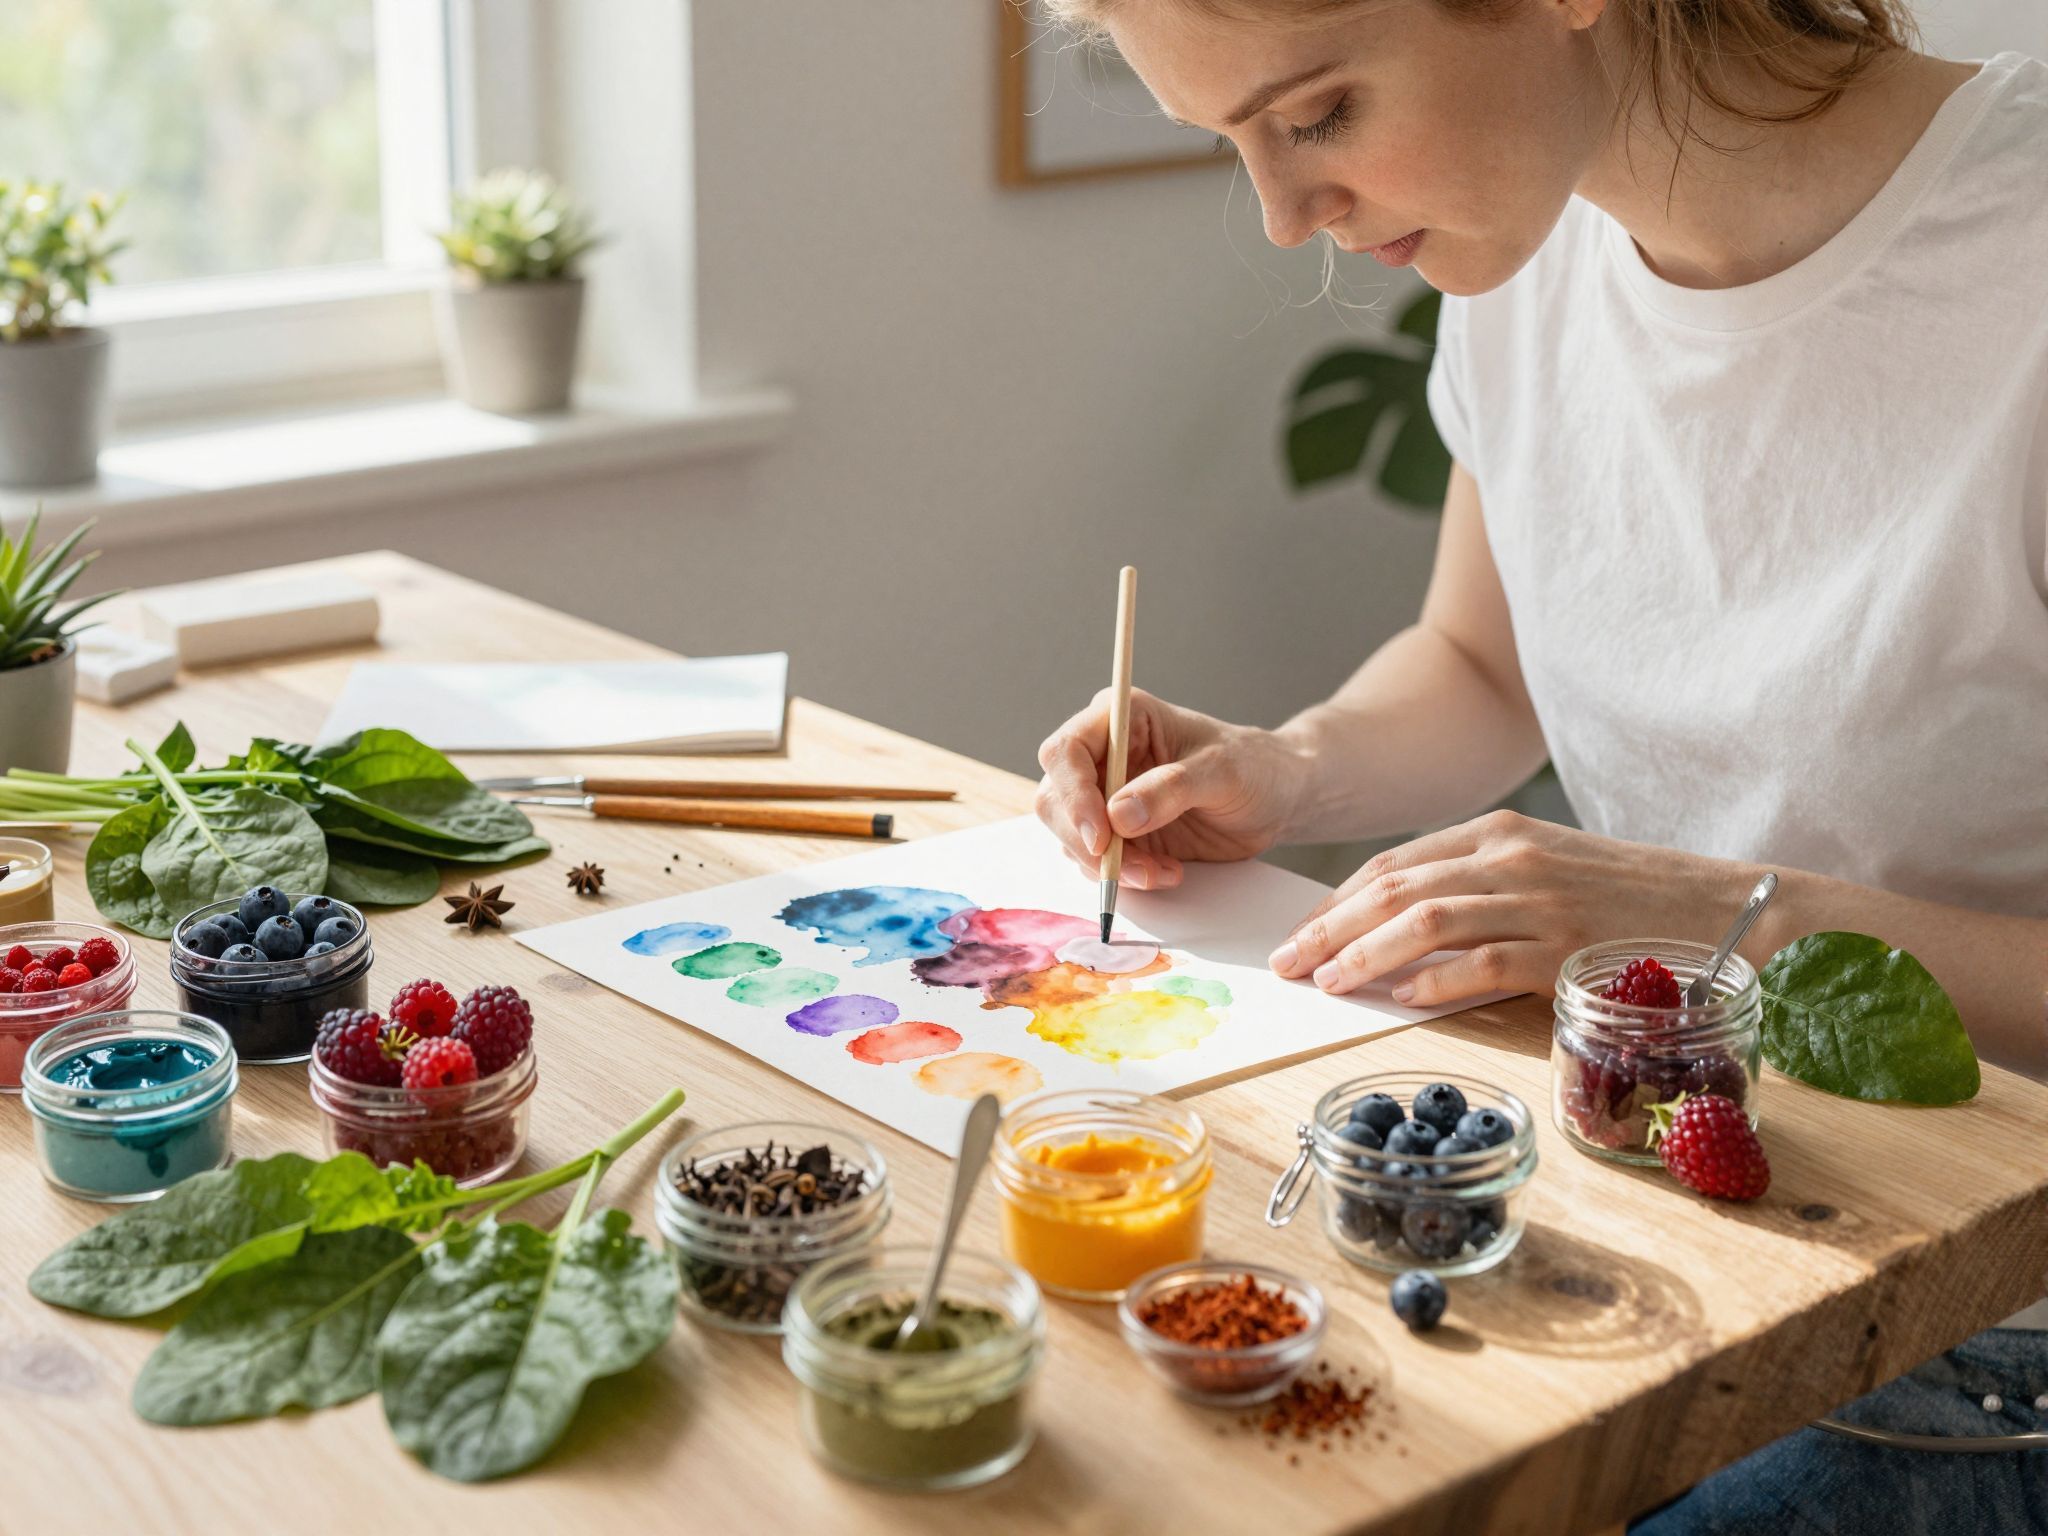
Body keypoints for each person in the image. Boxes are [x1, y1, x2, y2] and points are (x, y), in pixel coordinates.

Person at [1030, 0, 2048, 1529]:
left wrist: (1723, 926)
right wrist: (1286, 767)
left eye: (1313, 117)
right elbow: (1484, 664)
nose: (1282, 215)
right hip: (1669, 1227)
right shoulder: (1528, 239)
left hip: (1977, 1344)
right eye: (1230, 142)